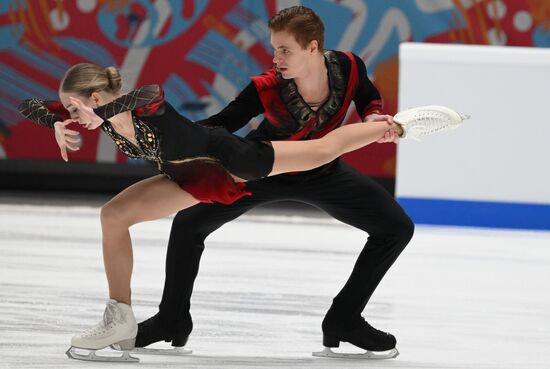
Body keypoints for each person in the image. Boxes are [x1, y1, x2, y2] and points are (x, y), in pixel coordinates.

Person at [18, 53, 465, 360]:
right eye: (71, 110)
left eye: (77, 107)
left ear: (97, 98)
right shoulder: (86, 110)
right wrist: (56, 122)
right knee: (113, 215)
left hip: (231, 161)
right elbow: (28, 104)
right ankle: (119, 318)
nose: (74, 115)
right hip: (187, 179)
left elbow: (148, 89)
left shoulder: (143, 106)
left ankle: (397, 127)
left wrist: (100, 113)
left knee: (321, 151)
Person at [132, 6, 464, 360]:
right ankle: (171, 319)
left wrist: (372, 118)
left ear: (312, 47)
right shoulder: (266, 87)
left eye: (284, 50)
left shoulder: (348, 67)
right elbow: (221, 124)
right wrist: (167, 134)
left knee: (396, 228)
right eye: (274, 49)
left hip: (323, 172)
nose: (276, 58)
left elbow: (366, 95)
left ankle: (344, 319)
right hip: (263, 169)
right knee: (188, 225)